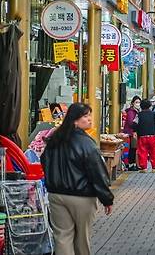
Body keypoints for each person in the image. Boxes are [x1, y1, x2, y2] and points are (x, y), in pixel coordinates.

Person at [41, 103, 114, 255]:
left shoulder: (54, 140)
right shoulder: (87, 143)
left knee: (62, 237)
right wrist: (107, 199)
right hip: (82, 197)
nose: (90, 119)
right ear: (75, 120)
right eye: (85, 116)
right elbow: (98, 174)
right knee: (82, 238)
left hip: (55, 195)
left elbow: (44, 161)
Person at [135, 100, 155, 173]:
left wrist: (135, 131)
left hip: (142, 136)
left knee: (142, 152)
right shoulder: (153, 114)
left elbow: (134, 123)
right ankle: (154, 168)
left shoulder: (139, 114)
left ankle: (144, 168)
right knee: (154, 151)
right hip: (153, 136)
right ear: (150, 106)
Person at [122, 96, 141, 171]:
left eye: (139, 102)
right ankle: (130, 164)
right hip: (131, 132)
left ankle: (132, 164)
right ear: (132, 103)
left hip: (132, 132)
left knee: (133, 149)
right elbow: (130, 123)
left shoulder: (136, 111)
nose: (138, 104)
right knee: (132, 149)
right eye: (136, 102)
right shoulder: (131, 112)